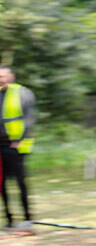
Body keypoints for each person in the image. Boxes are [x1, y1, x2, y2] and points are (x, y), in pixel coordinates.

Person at [0, 65, 35, 231]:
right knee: (2, 184)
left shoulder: (22, 93)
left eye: (4, 76)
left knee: (20, 182)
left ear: (11, 76)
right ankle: (8, 219)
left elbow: (29, 118)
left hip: (15, 145)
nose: (1, 79)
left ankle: (27, 217)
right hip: (0, 145)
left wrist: (19, 139)